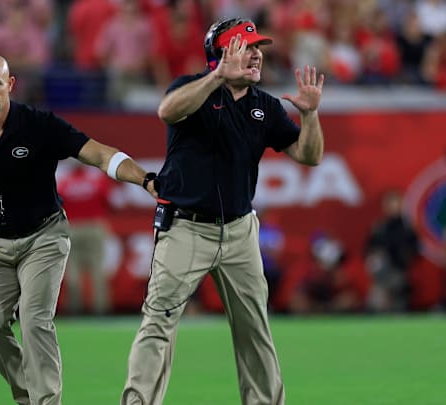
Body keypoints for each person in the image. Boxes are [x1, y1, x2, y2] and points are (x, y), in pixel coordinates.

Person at [0, 52, 156, 405]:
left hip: (44, 237)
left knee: (34, 321)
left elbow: (100, 155)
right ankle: (27, 393)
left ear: (10, 85)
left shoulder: (39, 125)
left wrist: (145, 178)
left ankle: (46, 402)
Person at [121, 17, 325, 405]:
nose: (256, 55)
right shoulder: (191, 90)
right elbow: (168, 110)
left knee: (255, 329)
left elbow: (309, 156)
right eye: (245, 46)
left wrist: (311, 116)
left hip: (239, 231)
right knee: (158, 323)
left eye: (257, 48)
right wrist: (216, 77)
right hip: (185, 228)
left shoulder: (264, 105)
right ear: (221, 53)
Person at [56, 161, 113, 315]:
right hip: (94, 226)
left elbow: (57, 205)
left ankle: (75, 310)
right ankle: (101, 310)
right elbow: (108, 201)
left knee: (72, 270)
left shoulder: (64, 182)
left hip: (72, 227)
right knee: (97, 271)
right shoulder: (96, 181)